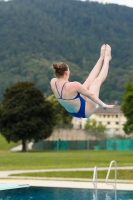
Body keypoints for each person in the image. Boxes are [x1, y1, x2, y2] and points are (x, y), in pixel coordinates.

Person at [50, 44, 115, 118]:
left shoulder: (53, 82)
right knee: (96, 82)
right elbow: (91, 95)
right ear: (66, 73)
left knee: (88, 80)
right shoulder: (74, 85)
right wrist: (103, 105)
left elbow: (61, 83)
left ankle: (101, 58)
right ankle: (106, 59)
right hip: (85, 111)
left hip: (73, 110)